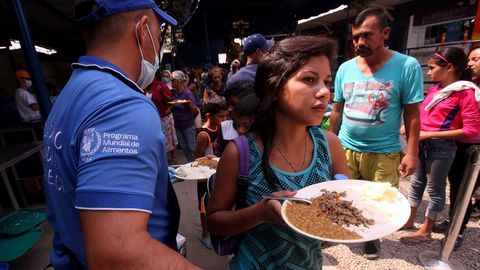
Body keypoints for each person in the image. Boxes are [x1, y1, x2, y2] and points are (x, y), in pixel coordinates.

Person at [42, 1, 199, 269]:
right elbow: (117, 252)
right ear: (141, 30)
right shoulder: (123, 106)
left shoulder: (72, 93)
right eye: (159, 37)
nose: (158, 48)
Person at [207, 35, 350, 269]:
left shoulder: (330, 145)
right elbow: (214, 221)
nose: (324, 92)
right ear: (273, 88)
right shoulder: (239, 153)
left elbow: (344, 206)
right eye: (309, 79)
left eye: (326, 81)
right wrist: (259, 213)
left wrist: (344, 193)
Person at [329, 7, 424, 259]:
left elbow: (412, 113)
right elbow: (337, 110)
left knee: (379, 199)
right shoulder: (345, 69)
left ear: (385, 33)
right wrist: (330, 143)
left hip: (384, 151)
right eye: (356, 36)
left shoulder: (407, 66)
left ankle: (372, 237)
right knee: (344, 194)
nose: (360, 42)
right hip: (347, 148)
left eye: (367, 35)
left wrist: (412, 152)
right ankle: (344, 229)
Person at [425, 46, 480, 249]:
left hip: (473, 148)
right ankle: (454, 221)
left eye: (476, 59)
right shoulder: (452, 88)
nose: (471, 63)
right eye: (470, 59)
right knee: (454, 188)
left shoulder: (467, 92)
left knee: (464, 191)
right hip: (454, 145)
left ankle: (457, 231)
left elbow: (471, 129)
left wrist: (430, 133)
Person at [193, 96, 229, 248]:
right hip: (204, 179)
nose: (224, 119)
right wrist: (207, 161)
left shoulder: (220, 129)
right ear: (209, 116)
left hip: (217, 176)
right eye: (221, 116)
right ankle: (205, 234)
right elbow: (195, 160)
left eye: (226, 115)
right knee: (204, 206)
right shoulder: (203, 135)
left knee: (217, 203)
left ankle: (216, 230)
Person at [145, 74, 178, 163]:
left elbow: (171, 100)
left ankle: (174, 156)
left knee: (168, 136)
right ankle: (160, 157)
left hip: (164, 115)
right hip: (151, 117)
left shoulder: (161, 85)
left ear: (155, 76)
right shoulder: (143, 85)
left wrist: (162, 93)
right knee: (157, 137)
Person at [171, 70, 198, 162]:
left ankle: (196, 164)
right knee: (184, 147)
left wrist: (188, 104)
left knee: (192, 147)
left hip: (187, 125)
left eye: (172, 80)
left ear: (178, 81)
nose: (171, 82)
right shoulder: (175, 93)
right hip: (178, 125)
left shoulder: (187, 93)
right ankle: (190, 163)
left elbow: (195, 111)